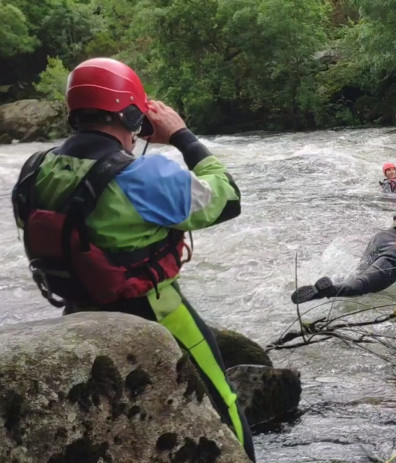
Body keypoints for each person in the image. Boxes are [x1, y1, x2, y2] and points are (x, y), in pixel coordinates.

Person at [11, 58, 256, 461]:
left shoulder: (35, 168)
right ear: (129, 113)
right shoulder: (142, 175)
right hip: (154, 310)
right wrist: (181, 136)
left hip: (76, 312)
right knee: (222, 399)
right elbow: (228, 197)